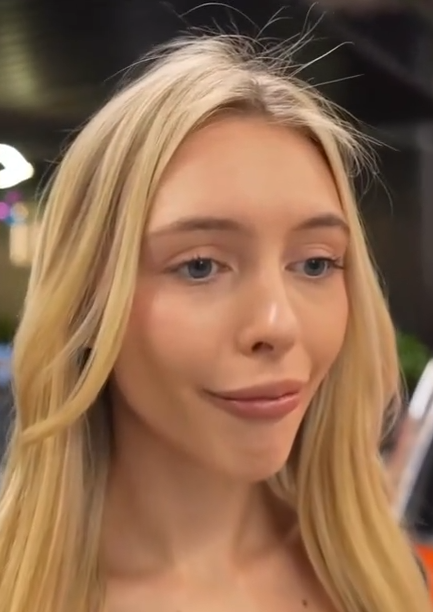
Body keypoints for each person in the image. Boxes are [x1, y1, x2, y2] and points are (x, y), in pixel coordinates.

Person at [0, 34, 429, 612]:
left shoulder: (379, 576)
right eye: (200, 265)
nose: (278, 325)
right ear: (88, 300)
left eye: (315, 263)